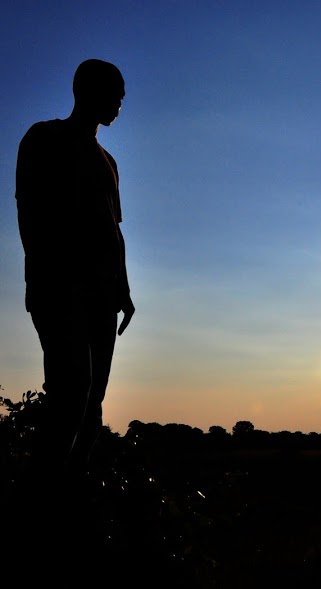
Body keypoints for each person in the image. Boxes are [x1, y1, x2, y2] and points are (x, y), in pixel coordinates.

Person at [15, 58, 135, 478]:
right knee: (71, 394)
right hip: (60, 288)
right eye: (115, 90)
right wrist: (46, 277)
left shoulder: (110, 162)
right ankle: (37, 499)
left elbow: (113, 232)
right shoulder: (44, 138)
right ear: (86, 90)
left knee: (91, 408)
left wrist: (123, 290)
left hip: (104, 297)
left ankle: (71, 501)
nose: (121, 99)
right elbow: (27, 211)